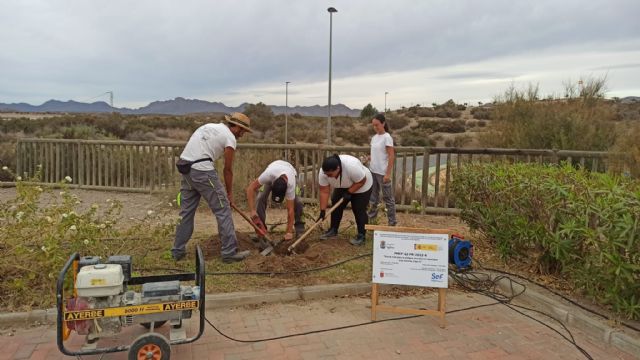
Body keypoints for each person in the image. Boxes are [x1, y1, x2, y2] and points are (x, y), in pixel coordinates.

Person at [172, 112, 252, 263]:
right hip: (203, 172)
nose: (242, 134)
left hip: (186, 169)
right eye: (242, 130)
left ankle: (177, 251)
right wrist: (228, 194)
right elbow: (227, 169)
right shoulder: (229, 138)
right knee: (223, 210)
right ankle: (229, 252)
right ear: (234, 127)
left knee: (186, 212)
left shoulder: (208, 126)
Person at [318, 154, 373, 246]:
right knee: (336, 204)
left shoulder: (352, 166)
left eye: (330, 174)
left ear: (338, 168)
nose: (328, 176)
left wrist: (349, 192)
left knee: (358, 208)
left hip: (361, 184)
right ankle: (333, 230)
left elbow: (362, 181)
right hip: (343, 184)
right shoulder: (323, 173)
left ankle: (361, 236)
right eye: (326, 174)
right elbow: (324, 191)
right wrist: (322, 210)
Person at [245, 160, 305, 241]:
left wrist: (289, 232)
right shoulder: (268, 175)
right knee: (260, 198)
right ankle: (261, 231)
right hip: (273, 171)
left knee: (298, 202)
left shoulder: (290, 184)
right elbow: (250, 189)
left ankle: (300, 230)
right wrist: (252, 210)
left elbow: (290, 210)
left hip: (291, 172)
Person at [367, 113, 397, 226]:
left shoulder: (387, 137)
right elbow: (375, 153)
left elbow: (391, 156)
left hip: (383, 173)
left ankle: (392, 223)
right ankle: (372, 222)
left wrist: (387, 174)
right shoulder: (374, 138)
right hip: (373, 171)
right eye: (373, 125)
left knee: (388, 199)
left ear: (383, 123)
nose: (375, 127)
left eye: (377, 125)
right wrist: (368, 158)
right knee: (373, 198)